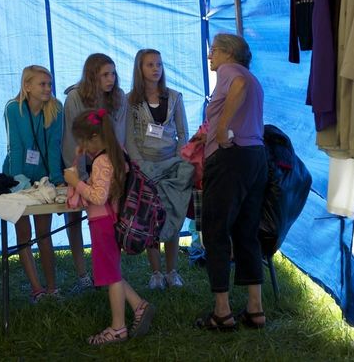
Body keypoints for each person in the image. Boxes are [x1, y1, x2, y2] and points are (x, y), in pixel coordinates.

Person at [195, 34, 268, 331]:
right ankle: (255, 308)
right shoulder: (252, 77)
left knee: (215, 231)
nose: (210, 56)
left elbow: (237, 88)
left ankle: (222, 311)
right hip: (255, 157)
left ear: (227, 53)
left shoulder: (231, 73)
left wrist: (222, 127)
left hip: (229, 160)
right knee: (247, 232)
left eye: (213, 50)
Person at [64, 109, 155, 345]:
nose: (80, 145)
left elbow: (98, 196)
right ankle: (139, 306)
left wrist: (76, 183)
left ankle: (118, 328)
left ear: (94, 138)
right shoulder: (116, 153)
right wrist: (82, 156)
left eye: (82, 141)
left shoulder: (102, 161)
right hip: (110, 220)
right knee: (111, 270)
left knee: (111, 277)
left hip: (102, 222)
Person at [126, 49, 191, 290]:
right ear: (139, 69)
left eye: (159, 64)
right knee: (151, 219)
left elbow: (183, 132)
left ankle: (172, 271)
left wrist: (179, 158)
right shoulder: (130, 100)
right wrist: (140, 165)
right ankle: (155, 272)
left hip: (172, 166)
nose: (156, 69)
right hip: (145, 167)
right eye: (150, 65)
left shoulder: (174, 97)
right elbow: (129, 138)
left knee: (172, 216)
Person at [62, 53, 127, 294]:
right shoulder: (75, 98)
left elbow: (121, 135)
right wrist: (76, 179)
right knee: (76, 218)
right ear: (92, 76)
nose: (111, 79)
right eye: (105, 75)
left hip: (107, 165)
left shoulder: (119, 97)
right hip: (81, 168)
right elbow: (71, 141)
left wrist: (118, 169)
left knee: (107, 220)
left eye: (113, 73)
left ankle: (112, 272)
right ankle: (82, 273)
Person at [2, 65, 63, 303]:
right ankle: (36, 288)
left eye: (49, 84)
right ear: (27, 86)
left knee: (44, 233)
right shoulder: (13, 109)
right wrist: (18, 182)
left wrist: (56, 179)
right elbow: (14, 148)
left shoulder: (55, 109)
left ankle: (52, 287)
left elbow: (54, 147)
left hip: (44, 179)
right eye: (42, 84)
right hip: (18, 179)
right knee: (24, 234)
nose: (48, 88)